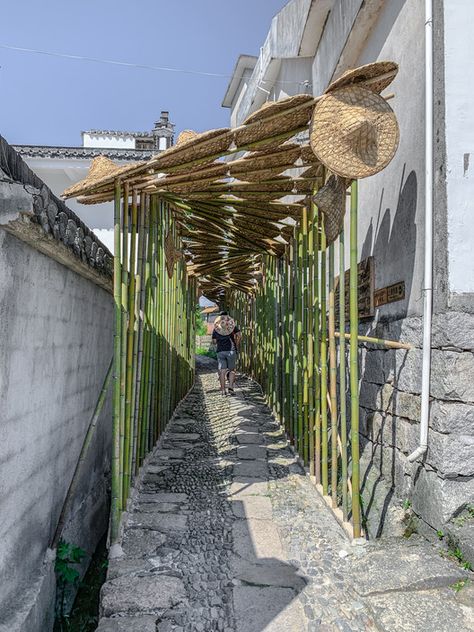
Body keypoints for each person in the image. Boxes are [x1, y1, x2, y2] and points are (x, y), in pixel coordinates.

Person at [211, 311, 241, 396]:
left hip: (220, 351)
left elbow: (214, 341)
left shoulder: (216, 328)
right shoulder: (232, 326)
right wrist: (236, 344)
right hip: (231, 351)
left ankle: (223, 391)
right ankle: (231, 387)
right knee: (232, 370)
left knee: (222, 371)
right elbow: (239, 335)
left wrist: (219, 341)